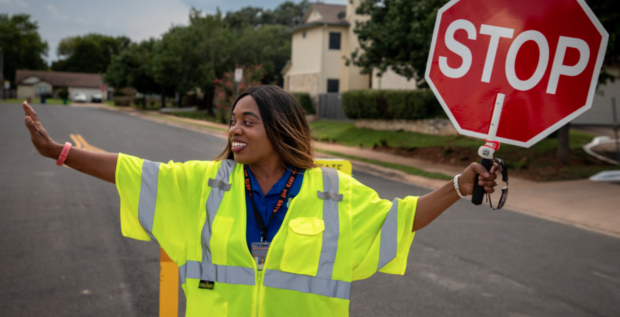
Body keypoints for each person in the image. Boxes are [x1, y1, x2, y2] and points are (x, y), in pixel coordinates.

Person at [22, 85, 499, 317]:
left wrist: (457, 186)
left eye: (247, 120)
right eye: (232, 120)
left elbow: (397, 220)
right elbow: (130, 171)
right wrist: (60, 151)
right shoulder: (203, 183)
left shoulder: (332, 191)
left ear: (279, 127)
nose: (234, 129)